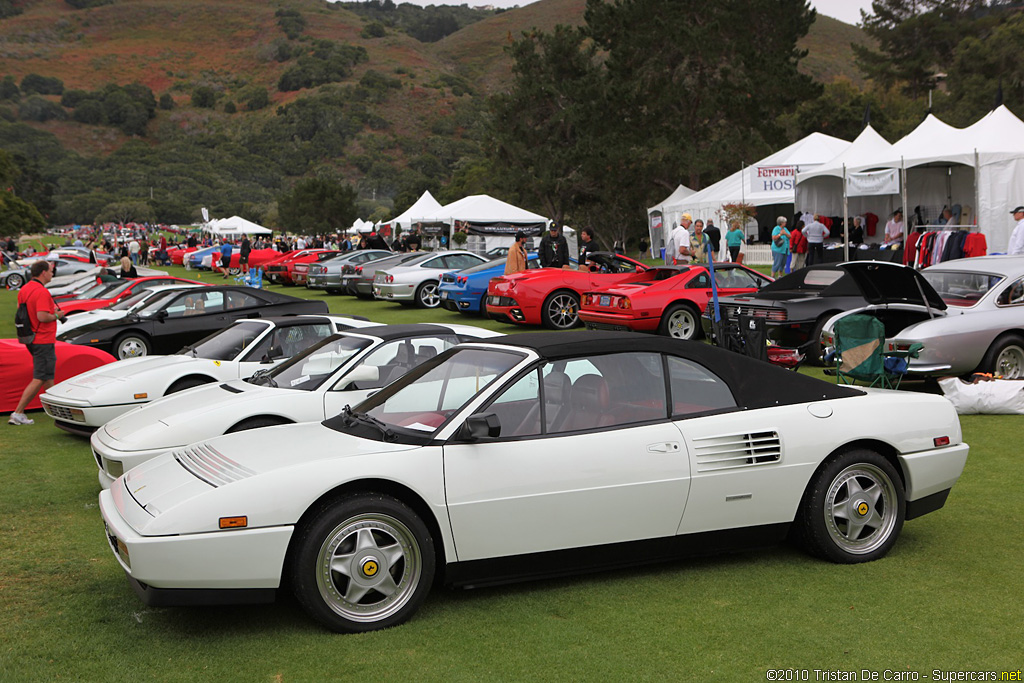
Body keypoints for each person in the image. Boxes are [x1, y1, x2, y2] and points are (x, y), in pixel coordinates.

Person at [10, 261, 63, 426]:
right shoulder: (41, 292)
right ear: (43, 272)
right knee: (40, 376)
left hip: (30, 338)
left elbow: (25, 312)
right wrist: (56, 316)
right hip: (43, 339)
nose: (52, 274)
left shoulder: (25, 289)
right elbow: (41, 316)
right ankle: (18, 412)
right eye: (51, 271)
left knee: (47, 377)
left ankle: (58, 411)